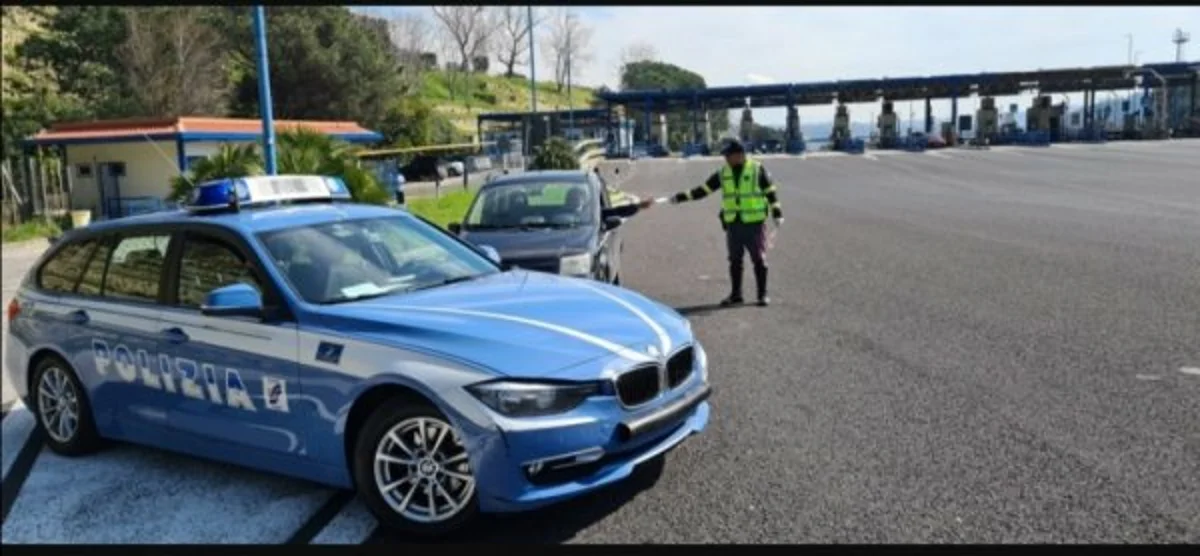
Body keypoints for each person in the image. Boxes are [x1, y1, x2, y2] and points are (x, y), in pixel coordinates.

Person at [667, 139, 783, 307]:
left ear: (740, 155)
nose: (726, 159)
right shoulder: (723, 173)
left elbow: (770, 192)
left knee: (759, 259)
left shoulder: (757, 169)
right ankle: (736, 295)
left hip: (754, 223)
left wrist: (777, 213)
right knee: (735, 260)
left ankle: (762, 294)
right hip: (733, 223)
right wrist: (680, 197)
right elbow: (703, 190)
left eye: (729, 155)